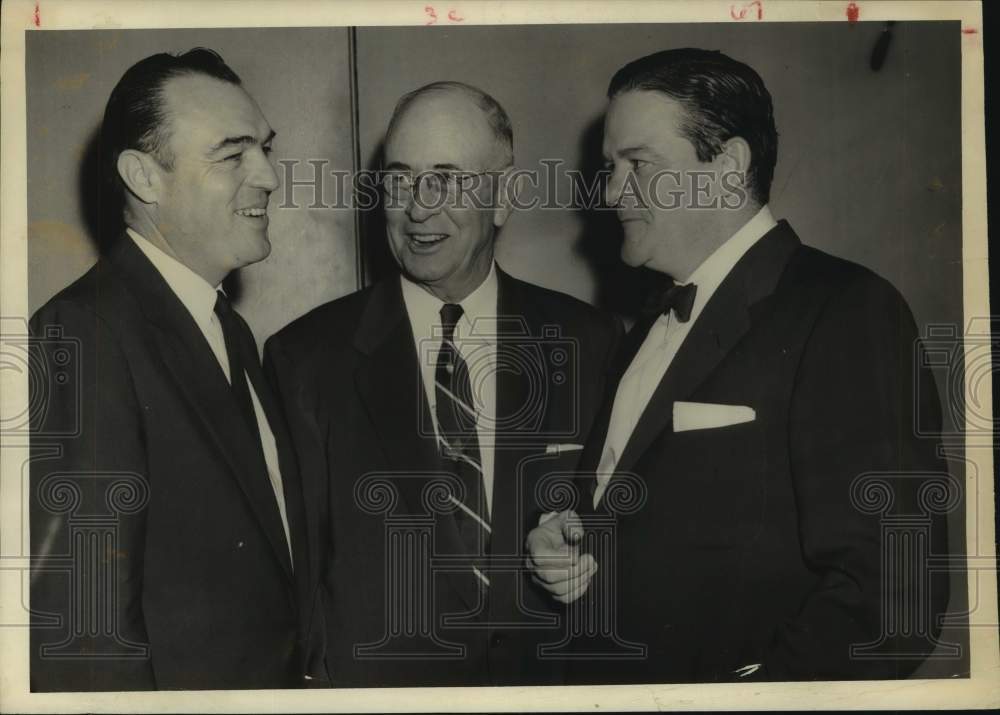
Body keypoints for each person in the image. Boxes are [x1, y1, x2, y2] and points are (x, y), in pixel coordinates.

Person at [527, 48, 951, 682]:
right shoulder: (643, 328)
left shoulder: (846, 309)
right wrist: (563, 550)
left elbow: (894, 599)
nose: (612, 192)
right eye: (610, 168)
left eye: (637, 165)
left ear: (726, 167)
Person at [265, 81, 621, 686]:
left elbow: (621, 534)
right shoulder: (304, 359)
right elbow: (298, 591)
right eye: (400, 180)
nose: (419, 208)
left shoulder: (590, 342)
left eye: (448, 180)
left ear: (503, 196)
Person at [30, 49, 310, 691]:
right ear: (144, 177)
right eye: (233, 153)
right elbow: (85, 640)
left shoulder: (227, 329)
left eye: (266, 149)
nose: (267, 175)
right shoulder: (81, 334)